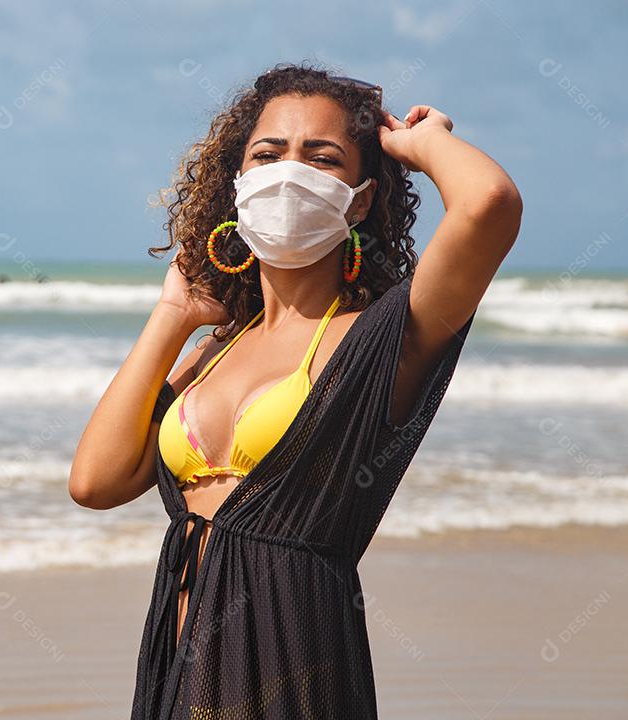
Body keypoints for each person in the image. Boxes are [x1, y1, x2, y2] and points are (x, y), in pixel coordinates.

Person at [69, 62, 522, 719]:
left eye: (322, 156)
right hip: (182, 672)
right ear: (239, 181)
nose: (290, 171)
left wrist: (422, 142)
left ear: (360, 199)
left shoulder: (384, 337)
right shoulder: (212, 351)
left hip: (297, 665)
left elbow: (489, 205)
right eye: (268, 152)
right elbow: (94, 482)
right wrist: (173, 315)